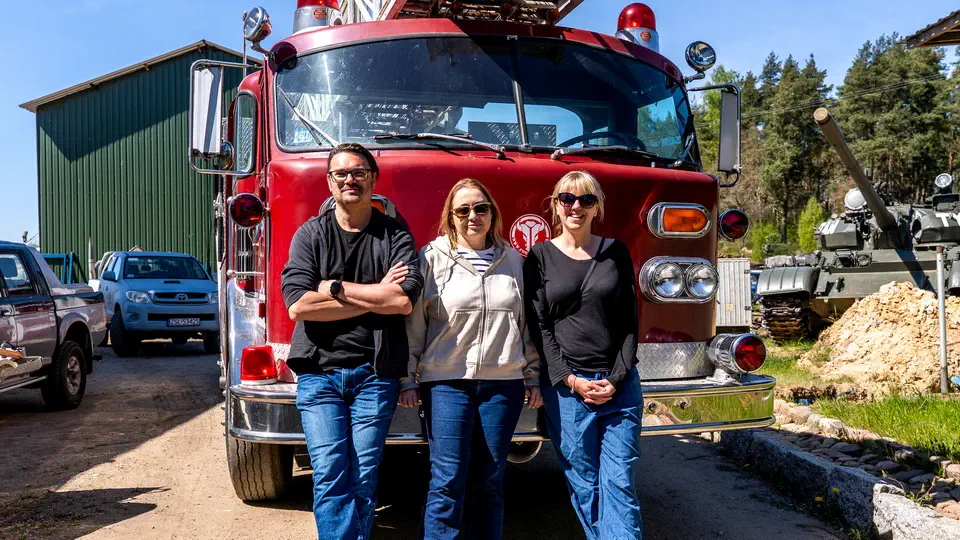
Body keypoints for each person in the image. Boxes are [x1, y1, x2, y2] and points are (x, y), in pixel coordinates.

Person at [281, 142, 424, 540]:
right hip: (318, 374)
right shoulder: (310, 234)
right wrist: (373, 295)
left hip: (374, 373)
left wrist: (338, 290)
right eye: (341, 173)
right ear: (329, 182)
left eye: (359, 172)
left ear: (373, 179)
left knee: (363, 475)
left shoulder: (395, 234)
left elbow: (402, 301)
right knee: (329, 473)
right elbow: (299, 306)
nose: (350, 179)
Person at [400, 178, 541, 540]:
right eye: (462, 210)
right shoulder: (430, 258)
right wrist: (408, 376)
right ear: (450, 217)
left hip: (503, 386)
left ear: (493, 213)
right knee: (447, 480)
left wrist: (532, 374)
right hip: (446, 384)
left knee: (490, 481)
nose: (472, 216)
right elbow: (414, 323)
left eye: (481, 208)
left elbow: (526, 323)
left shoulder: (514, 262)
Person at [523, 170, 643, 540]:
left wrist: (617, 378)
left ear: (597, 207)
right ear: (556, 207)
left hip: (618, 385)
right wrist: (572, 380)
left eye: (586, 200)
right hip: (567, 389)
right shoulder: (539, 256)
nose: (576, 206)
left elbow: (629, 322)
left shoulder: (615, 252)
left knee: (619, 480)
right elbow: (538, 324)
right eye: (568, 199)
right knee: (585, 481)